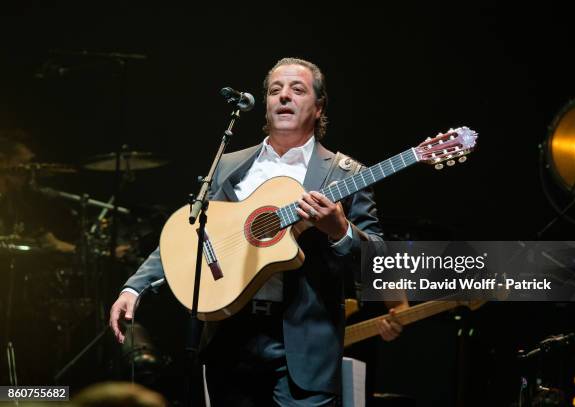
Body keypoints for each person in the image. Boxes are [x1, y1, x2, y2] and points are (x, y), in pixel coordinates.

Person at [110, 57, 390, 406]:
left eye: (297, 90)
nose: (283, 96)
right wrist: (135, 287)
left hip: (304, 347)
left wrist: (341, 231)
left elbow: (379, 263)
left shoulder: (344, 174)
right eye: (275, 90)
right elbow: (190, 231)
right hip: (230, 338)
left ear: (318, 108)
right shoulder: (229, 165)